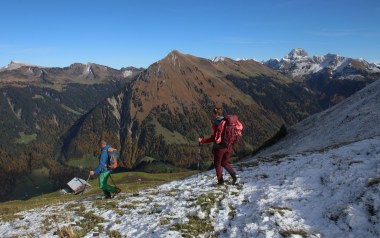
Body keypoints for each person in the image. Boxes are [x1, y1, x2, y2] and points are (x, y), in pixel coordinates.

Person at [198, 107, 239, 185]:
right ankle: (234, 176)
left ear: (214, 113)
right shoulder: (227, 121)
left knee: (218, 164)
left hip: (219, 148)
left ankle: (221, 182)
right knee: (225, 162)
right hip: (228, 146)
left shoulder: (216, 123)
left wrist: (202, 140)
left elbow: (214, 138)